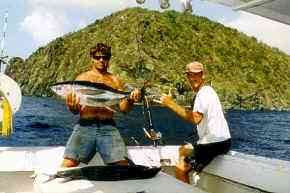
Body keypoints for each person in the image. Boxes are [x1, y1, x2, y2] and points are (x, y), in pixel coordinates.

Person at [61, 43, 141, 168]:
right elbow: (75, 111)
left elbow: (124, 109)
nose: (101, 60)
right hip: (84, 126)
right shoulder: (82, 78)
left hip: (108, 127)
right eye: (97, 57)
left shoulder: (115, 81)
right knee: (67, 165)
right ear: (92, 58)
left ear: (109, 59)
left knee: (123, 167)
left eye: (105, 57)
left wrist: (130, 99)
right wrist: (72, 106)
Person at [156, 61, 231, 184]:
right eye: (190, 75)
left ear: (203, 75)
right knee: (182, 150)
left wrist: (170, 103)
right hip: (223, 142)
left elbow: (196, 118)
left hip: (213, 143)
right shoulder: (208, 91)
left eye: (197, 74)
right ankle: (196, 168)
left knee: (181, 169)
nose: (193, 78)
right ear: (187, 76)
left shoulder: (203, 93)